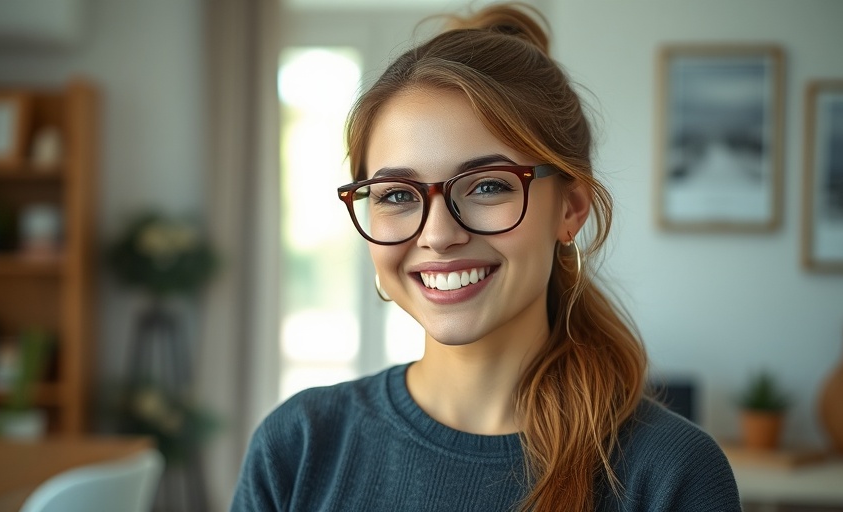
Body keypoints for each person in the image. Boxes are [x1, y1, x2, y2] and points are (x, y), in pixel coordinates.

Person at [231, 3, 741, 511]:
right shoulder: (298, 447)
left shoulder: (673, 474)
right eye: (397, 195)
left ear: (570, 208)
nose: (438, 234)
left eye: (489, 186)